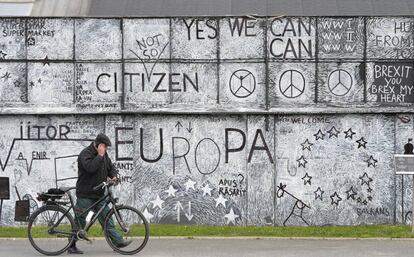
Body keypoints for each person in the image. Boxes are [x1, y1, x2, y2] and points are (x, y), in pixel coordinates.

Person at [67, 133, 131, 254]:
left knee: (107, 217)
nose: (106, 149)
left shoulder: (104, 155)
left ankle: (118, 241)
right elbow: (90, 168)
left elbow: (110, 167)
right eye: (105, 147)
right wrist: (100, 155)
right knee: (80, 220)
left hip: (99, 195)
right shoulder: (85, 153)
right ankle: (71, 246)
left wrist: (114, 176)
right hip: (85, 194)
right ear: (100, 145)